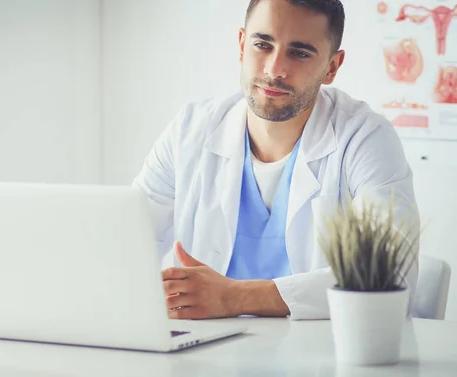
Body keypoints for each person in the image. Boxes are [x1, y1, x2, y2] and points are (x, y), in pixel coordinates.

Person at [133, 0, 419, 320]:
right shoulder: (189, 130)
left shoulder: (365, 138)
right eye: (262, 44)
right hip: (206, 353)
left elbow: (392, 273)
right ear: (242, 45)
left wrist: (235, 298)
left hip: (319, 359)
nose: (273, 70)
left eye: (299, 52)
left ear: (332, 67)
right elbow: (124, 240)